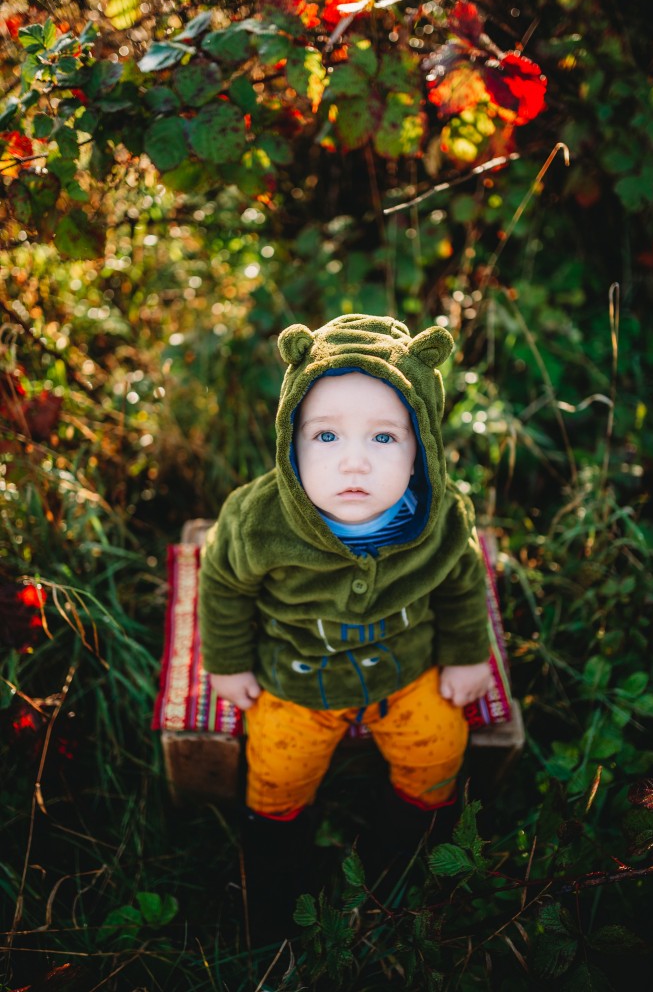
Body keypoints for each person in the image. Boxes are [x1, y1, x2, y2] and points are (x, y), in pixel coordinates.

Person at [198, 314, 492, 938]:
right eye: (325, 437)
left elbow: (464, 581)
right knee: (276, 764)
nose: (353, 462)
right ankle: (278, 867)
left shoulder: (438, 521)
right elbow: (223, 582)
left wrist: (468, 654)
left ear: (423, 448)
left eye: (385, 438)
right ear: (289, 439)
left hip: (405, 669)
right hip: (298, 675)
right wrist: (227, 662)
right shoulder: (259, 522)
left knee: (440, 746)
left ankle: (400, 858)